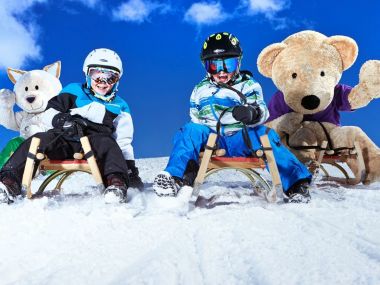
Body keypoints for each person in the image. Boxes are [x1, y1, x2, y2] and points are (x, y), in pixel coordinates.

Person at [153, 32, 312, 203]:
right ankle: (176, 178)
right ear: (205, 66)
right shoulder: (200, 89)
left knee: (265, 134)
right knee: (189, 130)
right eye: (214, 66)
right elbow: (195, 117)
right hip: (212, 140)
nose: (221, 71)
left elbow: (262, 109)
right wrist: (199, 138)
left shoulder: (248, 84)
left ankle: (297, 184)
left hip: (242, 138)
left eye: (228, 64)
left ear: (238, 63)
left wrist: (252, 113)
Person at [0, 48, 142, 204]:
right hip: (64, 138)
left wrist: (130, 170)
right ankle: (9, 181)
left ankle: (116, 183)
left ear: (118, 80)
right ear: (87, 74)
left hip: (96, 143)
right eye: (97, 76)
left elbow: (123, 141)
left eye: (111, 78)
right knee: (37, 140)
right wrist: (61, 120)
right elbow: (49, 110)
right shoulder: (74, 90)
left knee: (109, 144)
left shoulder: (119, 106)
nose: (103, 83)